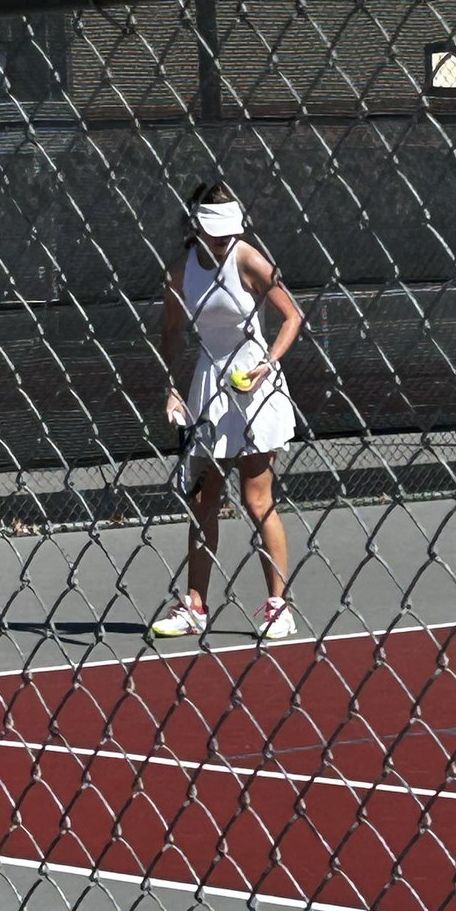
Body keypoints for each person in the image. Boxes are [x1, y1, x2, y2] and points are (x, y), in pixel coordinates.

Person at [151, 182, 302, 640]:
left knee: (257, 501)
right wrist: (172, 388)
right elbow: (173, 334)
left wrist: (266, 364)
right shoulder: (179, 273)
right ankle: (195, 605)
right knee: (203, 503)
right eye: (215, 233)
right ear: (195, 226)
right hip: (208, 386)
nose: (223, 240)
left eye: (229, 232)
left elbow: (292, 316)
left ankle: (279, 606)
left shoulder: (248, 259)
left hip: (255, 384)